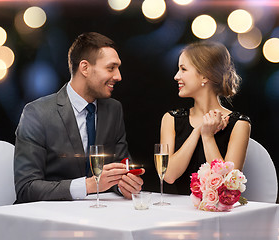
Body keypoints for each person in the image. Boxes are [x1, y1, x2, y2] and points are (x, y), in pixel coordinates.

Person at [14, 32, 144, 203]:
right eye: (111, 68)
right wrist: (89, 185)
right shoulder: (37, 113)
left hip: (103, 217)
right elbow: (26, 188)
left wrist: (124, 185)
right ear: (85, 68)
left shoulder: (113, 109)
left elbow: (120, 167)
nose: (118, 76)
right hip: (51, 220)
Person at [160, 41, 251, 195]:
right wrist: (197, 131)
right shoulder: (171, 119)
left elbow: (228, 183)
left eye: (183, 69)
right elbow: (168, 175)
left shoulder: (239, 124)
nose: (176, 76)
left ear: (204, 76)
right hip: (176, 211)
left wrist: (207, 136)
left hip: (217, 215)